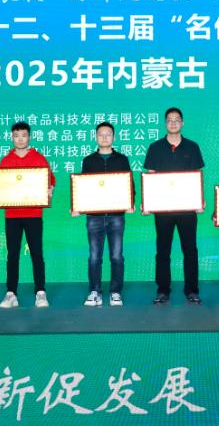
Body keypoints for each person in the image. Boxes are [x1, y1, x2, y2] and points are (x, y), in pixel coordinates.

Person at [143, 107, 205, 305]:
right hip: (163, 209)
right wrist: (147, 202)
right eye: (169, 120)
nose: (173, 123)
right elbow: (151, 176)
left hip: (187, 208)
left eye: (177, 119)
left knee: (190, 250)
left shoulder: (192, 147)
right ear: (165, 123)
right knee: (163, 250)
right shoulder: (155, 147)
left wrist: (200, 200)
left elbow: (197, 175)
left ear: (182, 123)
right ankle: (163, 290)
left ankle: (192, 290)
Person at [0, 121, 55, 309]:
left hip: (33, 213)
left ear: (29, 137)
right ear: (12, 137)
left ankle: (40, 292)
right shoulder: (6, 160)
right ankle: (11, 293)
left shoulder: (39, 158)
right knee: (12, 254)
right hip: (12, 215)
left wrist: (50, 189)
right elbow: (0, 185)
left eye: (23, 135)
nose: (20, 139)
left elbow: (50, 180)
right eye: (16, 136)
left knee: (36, 253)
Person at [78, 122, 133, 307]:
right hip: (94, 216)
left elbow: (129, 184)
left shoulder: (122, 159)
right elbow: (83, 186)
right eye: (101, 134)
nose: (104, 137)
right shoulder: (88, 161)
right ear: (96, 137)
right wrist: (78, 206)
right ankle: (95, 291)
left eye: (108, 134)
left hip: (117, 215)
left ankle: (115, 292)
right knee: (95, 256)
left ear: (114, 137)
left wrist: (130, 202)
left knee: (116, 256)